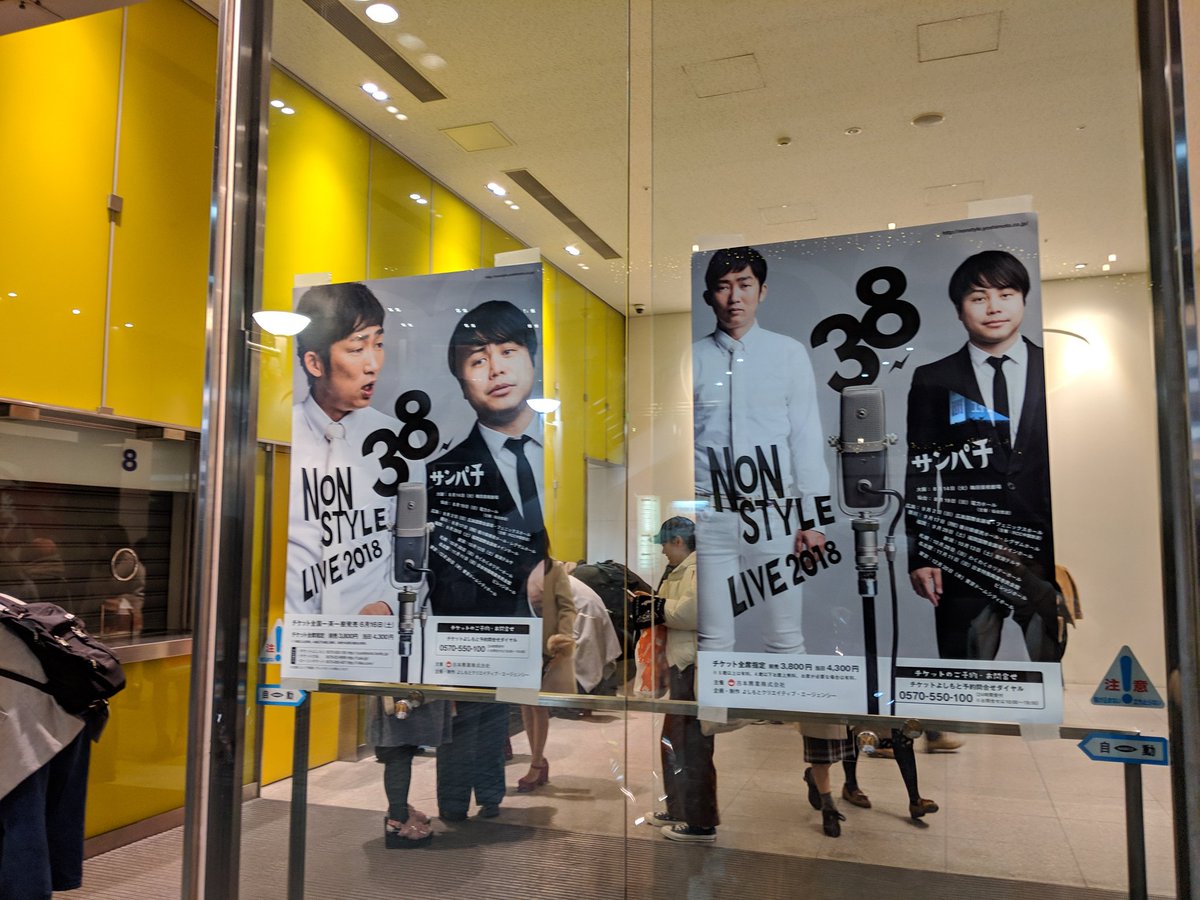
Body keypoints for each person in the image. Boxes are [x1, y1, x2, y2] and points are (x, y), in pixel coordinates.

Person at [905, 250, 1057, 664]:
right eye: (978, 298)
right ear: (959, 310)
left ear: (1023, 300)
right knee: (965, 671)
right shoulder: (934, 378)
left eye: (1005, 295)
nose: (993, 308)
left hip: (1045, 550)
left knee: (1049, 669)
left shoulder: (1054, 367)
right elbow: (921, 473)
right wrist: (922, 553)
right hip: (964, 550)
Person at [427, 300, 546, 821]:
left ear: (533, 360)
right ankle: (454, 803)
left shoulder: (562, 454)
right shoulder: (444, 473)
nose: (495, 369)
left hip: (531, 628)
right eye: (477, 360)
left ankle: (492, 795)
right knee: (460, 717)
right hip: (465, 626)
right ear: (461, 383)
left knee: (498, 712)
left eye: (508, 351)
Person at [692, 247, 831, 655]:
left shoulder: (788, 353)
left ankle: (787, 700)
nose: (734, 297)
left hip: (775, 513)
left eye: (744, 285)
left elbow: (806, 438)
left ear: (762, 291)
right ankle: (715, 703)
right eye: (723, 287)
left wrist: (815, 521)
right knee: (712, 641)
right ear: (709, 297)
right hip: (710, 514)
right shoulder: (692, 358)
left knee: (785, 637)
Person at [285, 282, 402, 616]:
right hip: (291, 633)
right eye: (357, 348)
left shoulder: (398, 441)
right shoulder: (279, 437)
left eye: (378, 344)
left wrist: (388, 604)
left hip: (370, 638)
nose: (373, 364)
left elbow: (415, 545)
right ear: (315, 363)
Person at [641, 516, 719, 843]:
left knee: (692, 746)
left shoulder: (699, 569)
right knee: (674, 742)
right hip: (680, 664)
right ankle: (679, 809)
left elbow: (693, 612)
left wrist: (655, 607)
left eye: (664, 544)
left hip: (691, 667)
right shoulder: (680, 569)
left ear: (678, 541)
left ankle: (701, 823)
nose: (662, 551)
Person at [516, 558, 576, 792]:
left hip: (545, 647)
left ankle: (536, 763)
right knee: (525, 703)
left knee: (538, 705)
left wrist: (563, 638)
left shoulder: (554, 569)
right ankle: (538, 760)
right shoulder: (515, 564)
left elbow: (567, 607)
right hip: (518, 643)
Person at [367, 695, 450, 849]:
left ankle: (399, 811)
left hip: (403, 695)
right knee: (398, 752)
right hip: (403, 695)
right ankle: (399, 820)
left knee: (401, 749)